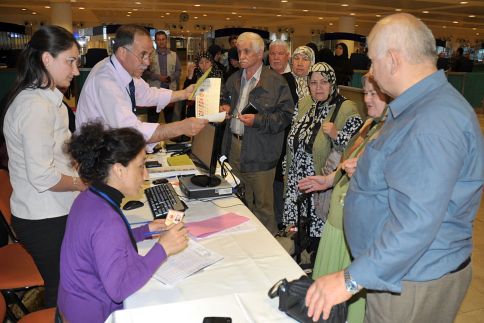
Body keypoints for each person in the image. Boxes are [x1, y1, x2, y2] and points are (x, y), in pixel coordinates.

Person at [305, 13, 484, 323]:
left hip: (411, 281)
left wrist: (350, 279)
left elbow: (416, 223)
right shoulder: (418, 107)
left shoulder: (431, 121)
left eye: (373, 62)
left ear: (393, 58)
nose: (370, 72)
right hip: (400, 272)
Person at [58, 122, 189, 322]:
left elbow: (102, 246)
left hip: (71, 307)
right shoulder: (106, 220)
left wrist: (144, 231)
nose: (146, 175)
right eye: (141, 166)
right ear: (119, 170)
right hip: (94, 315)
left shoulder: (89, 197)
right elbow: (118, 289)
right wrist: (162, 249)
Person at [0, 25, 88, 307]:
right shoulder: (34, 106)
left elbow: (58, 153)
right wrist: (80, 184)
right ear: (46, 59)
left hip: (56, 207)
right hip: (43, 218)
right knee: (64, 287)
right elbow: (43, 177)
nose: (75, 71)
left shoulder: (53, 101)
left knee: (73, 279)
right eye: (70, 61)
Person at [299, 74, 388, 323]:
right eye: (366, 93)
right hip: (338, 220)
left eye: (374, 94)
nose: (368, 100)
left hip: (356, 227)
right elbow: (348, 158)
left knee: (348, 307)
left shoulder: (393, 132)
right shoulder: (369, 124)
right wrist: (328, 180)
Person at [76, 24, 207, 150]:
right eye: (142, 55)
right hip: (97, 156)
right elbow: (130, 131)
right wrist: (181, 127)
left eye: (149, 55)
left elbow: (147, 93)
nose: (147, 62)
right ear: (122, 52)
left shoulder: (123, 69)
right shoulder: (105, 80)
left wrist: (185, 93)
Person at [283, 62, 362, 253]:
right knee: (297, 231)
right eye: (313, 83)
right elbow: (292, 139)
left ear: (332, 83)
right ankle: (300, 258)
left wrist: (337, 135)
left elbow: (358, 150)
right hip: (297, 182)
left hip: (321, 186)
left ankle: (316, 267)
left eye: (324, 82)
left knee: (318, 239)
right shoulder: (303, 104)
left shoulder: (346, 108)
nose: (318, 88)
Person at [220, 32, 294, 235]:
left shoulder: (276, 82)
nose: (241, 55)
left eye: (246, 51)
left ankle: (269, 253)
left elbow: (286, 116)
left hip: (261, 152)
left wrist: (258, 120)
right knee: (237, 202)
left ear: (260, 53)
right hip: (234, 148)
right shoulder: (234, 79)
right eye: (239, 51)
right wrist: (224, 106)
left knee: (263, 207)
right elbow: (224, 97)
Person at [268, 40, 297, 229]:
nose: (276, 57)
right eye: (273, 54)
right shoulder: (264, 75)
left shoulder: (290, 80)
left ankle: (279, 220)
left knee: (278, 178)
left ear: (287, 56)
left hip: (282, 137)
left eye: (280, 54)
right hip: (264, 138)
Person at [142, 30, 182, 122]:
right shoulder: (150, 55)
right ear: (155, 41)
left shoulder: (174, 55)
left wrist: (171, 78)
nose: (161, 41)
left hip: (169, 91)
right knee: (152, 119)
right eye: (159, 39)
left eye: (163, 39)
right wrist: (158, 77)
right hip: (154, 91)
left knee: (170, 119)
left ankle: (171, 135)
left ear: (166, 40)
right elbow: (144, 72)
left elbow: (178, 70)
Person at [183, 51, 224, 118]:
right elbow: (185, 93)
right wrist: (189, 76)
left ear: (211, 63)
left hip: (213, 111)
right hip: (196, 112)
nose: (204, 65)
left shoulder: (218, 74)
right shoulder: (195, 74)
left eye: (207, 62)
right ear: (197, 64)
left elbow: (222, 93)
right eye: (201, 63)